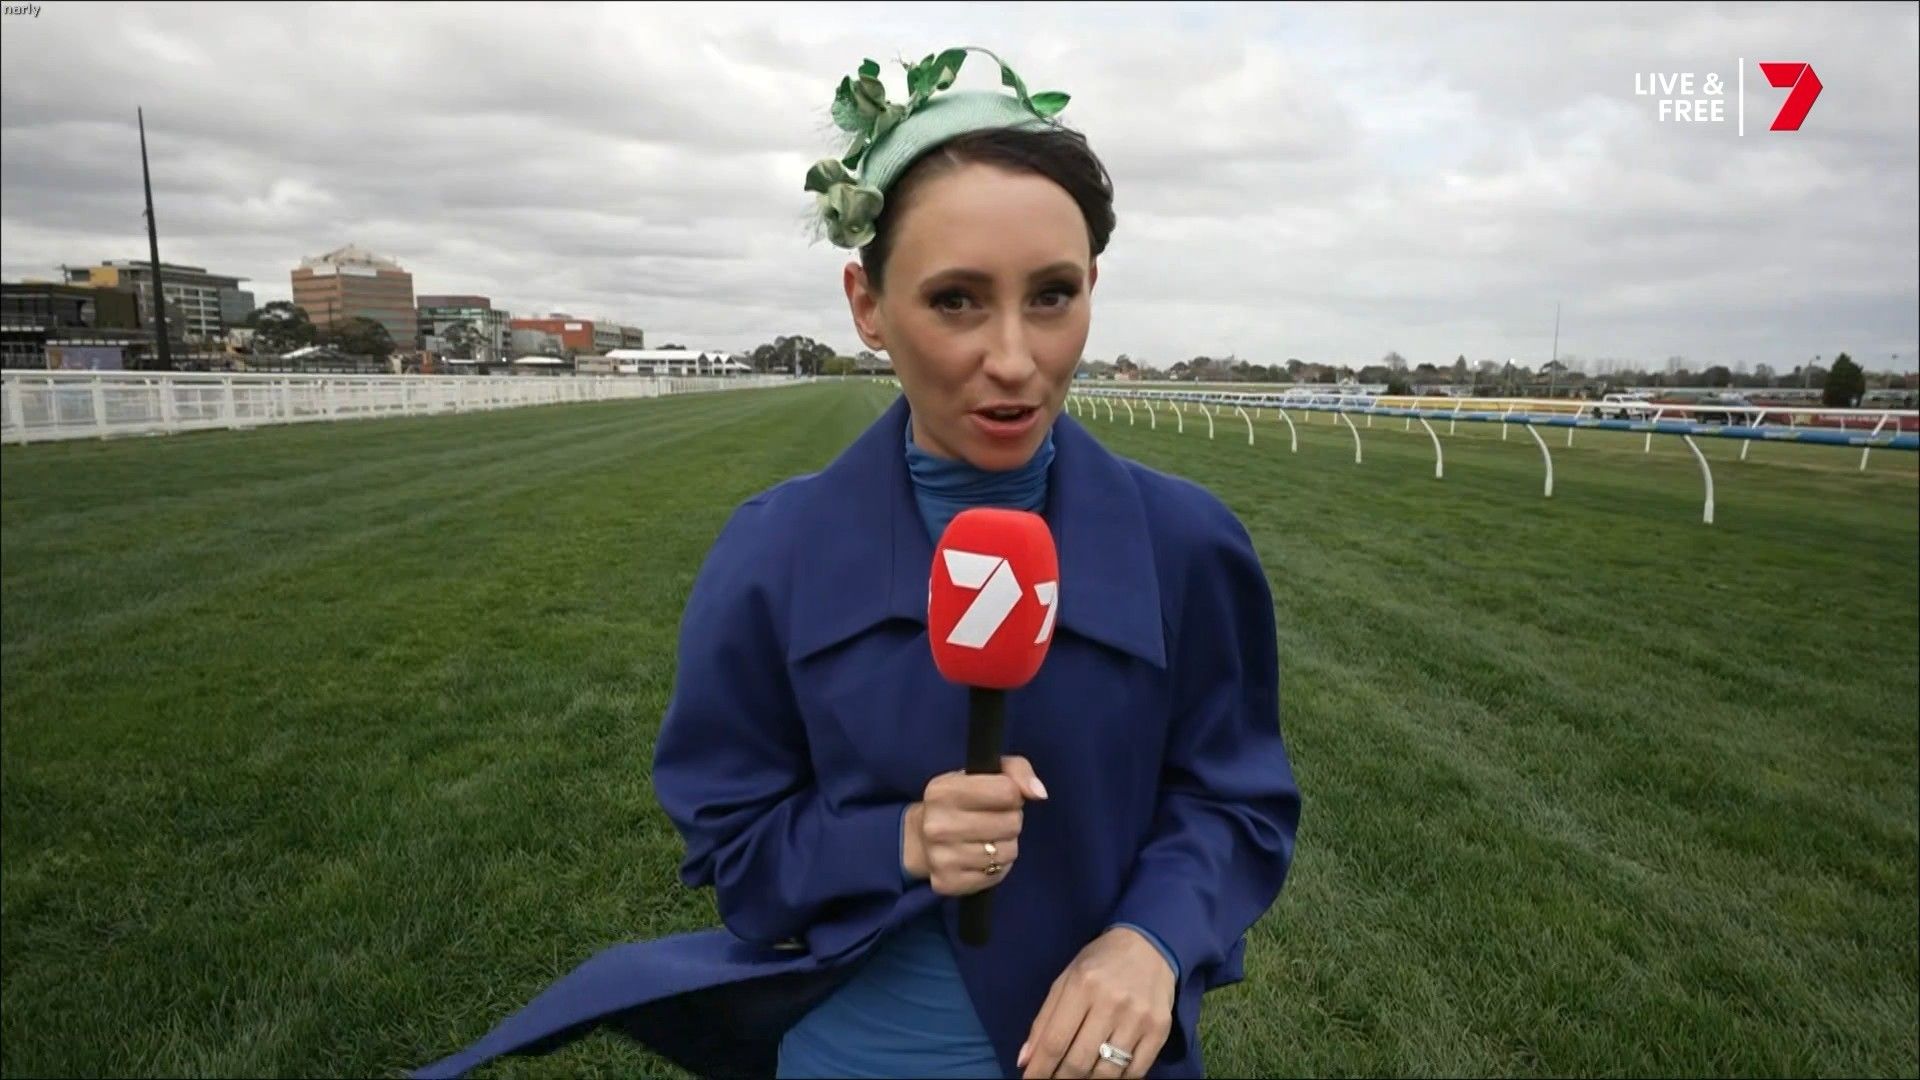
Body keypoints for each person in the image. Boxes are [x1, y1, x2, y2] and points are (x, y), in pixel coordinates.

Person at [414, 47, 1299, 1080]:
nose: (1014, 359)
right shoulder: (771, 554)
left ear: (1092, 287)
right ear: (867, 303)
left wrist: (1152, 939)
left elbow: (1235, 802)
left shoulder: (1188, 544)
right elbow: (737, 853)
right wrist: (902, 840)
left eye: (1052, 296)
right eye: (956, 300)